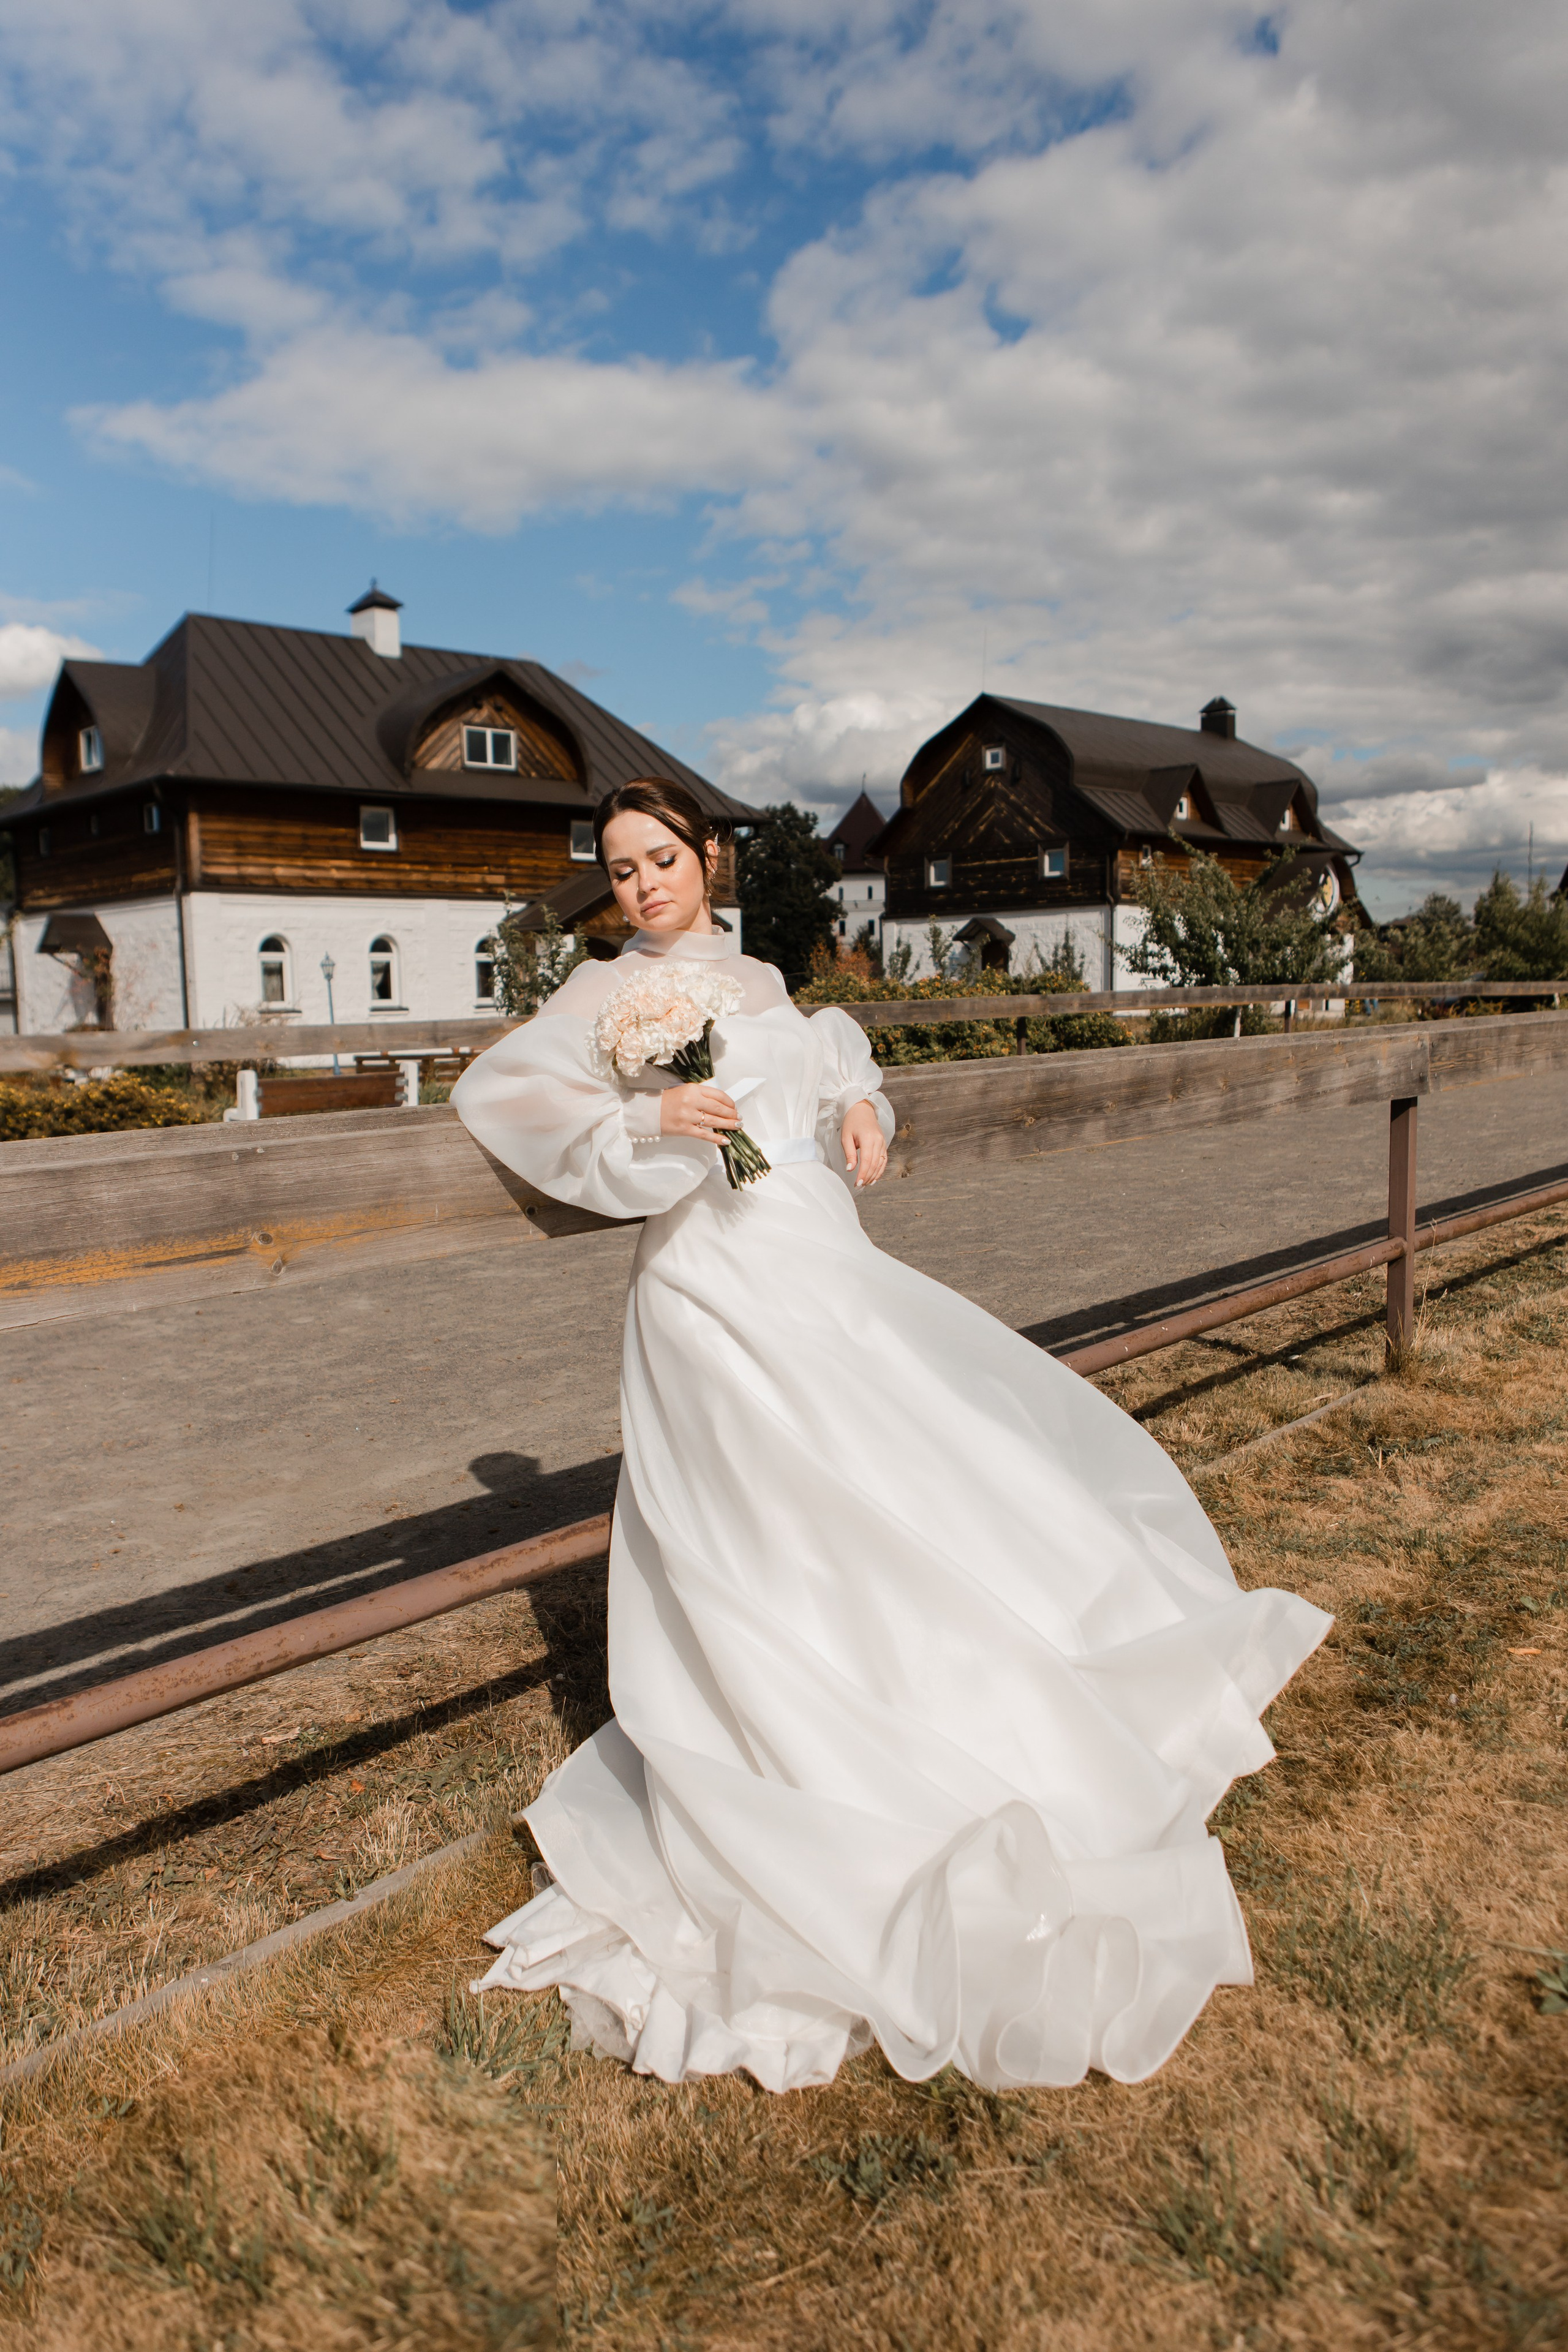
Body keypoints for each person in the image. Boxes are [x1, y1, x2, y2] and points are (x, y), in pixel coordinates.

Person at [450, 778, 1329, 2094]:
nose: (642, 887)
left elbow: (824, 1047)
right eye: (621, 870)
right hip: (707, 1288)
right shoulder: (599, 996)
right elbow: (504, 1093)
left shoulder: (751, 977)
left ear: (705, 858)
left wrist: (862, 1102)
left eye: (661, 861)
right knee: (761, 1517)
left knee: (900, 1478)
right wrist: (642, 1118)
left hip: (817, 1257)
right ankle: (789, 1743)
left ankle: (943, 1699)